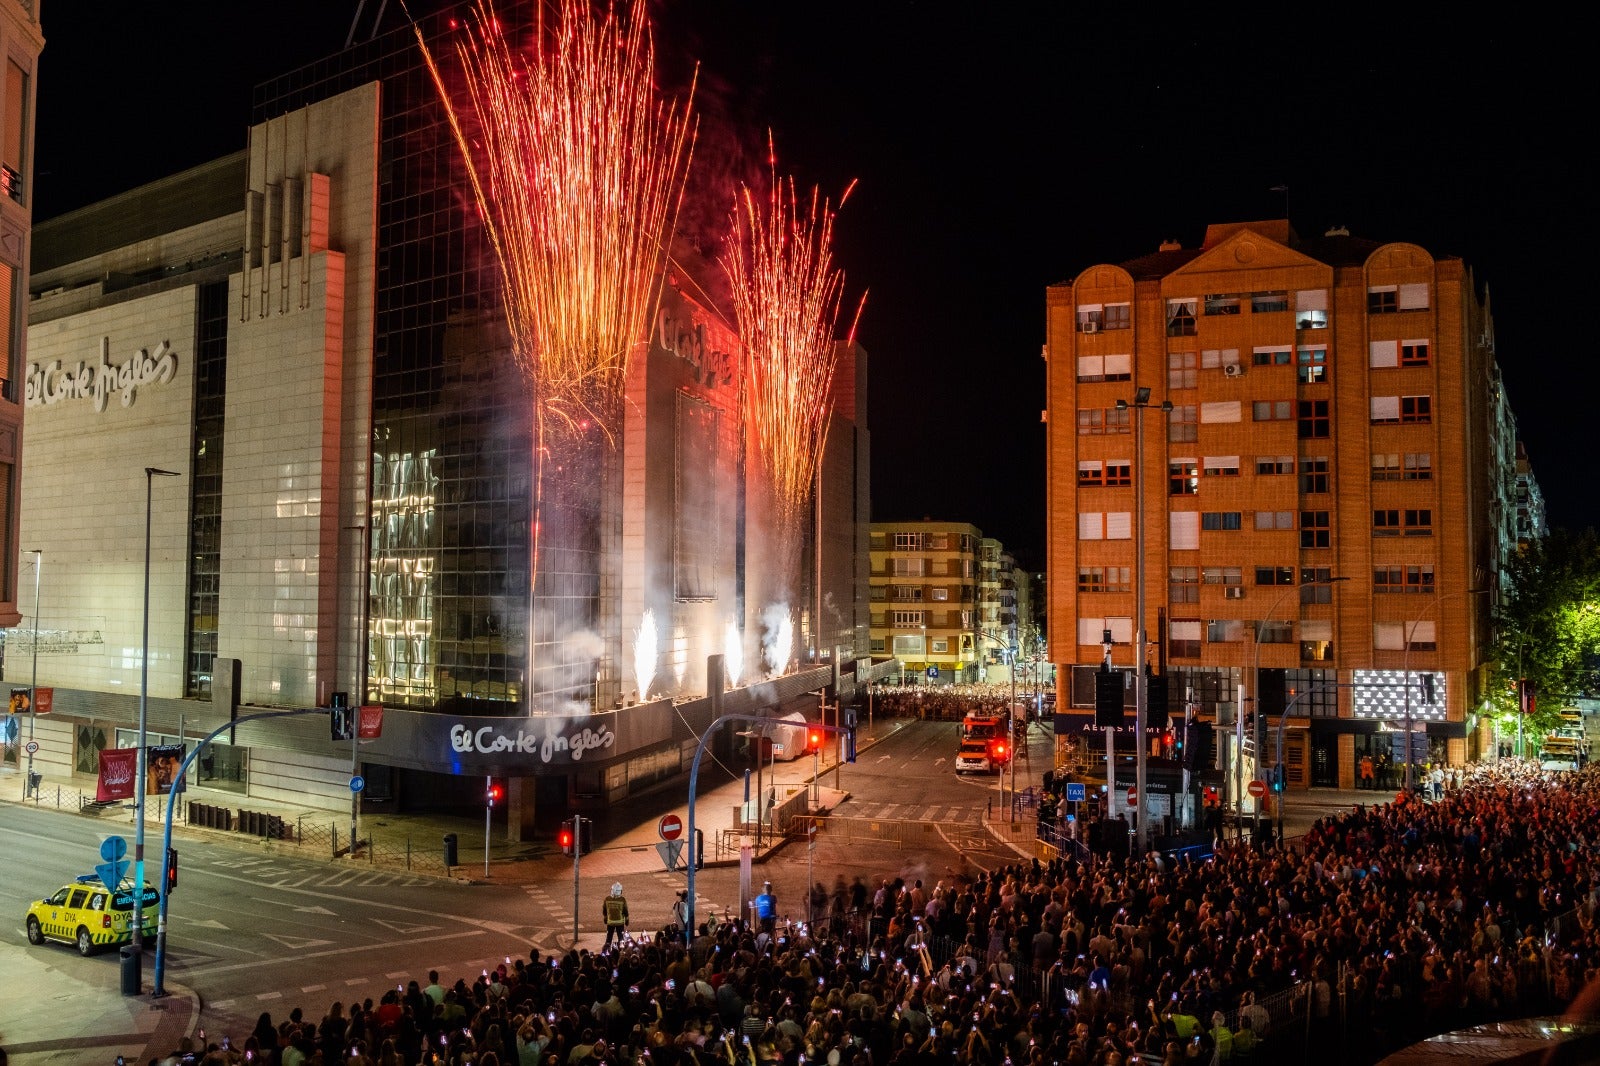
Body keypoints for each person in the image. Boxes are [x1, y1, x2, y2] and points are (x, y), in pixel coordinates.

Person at [602, 882, 629, 949]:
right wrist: (627, 919)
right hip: (620, 922)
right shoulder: (622, 899)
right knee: (621, 938)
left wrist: (605, 917)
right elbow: (625, 911)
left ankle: (606, 950)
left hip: (610, 922)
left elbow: (604, 909)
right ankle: (621, 951)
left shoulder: (607, 899)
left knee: (609, 938)